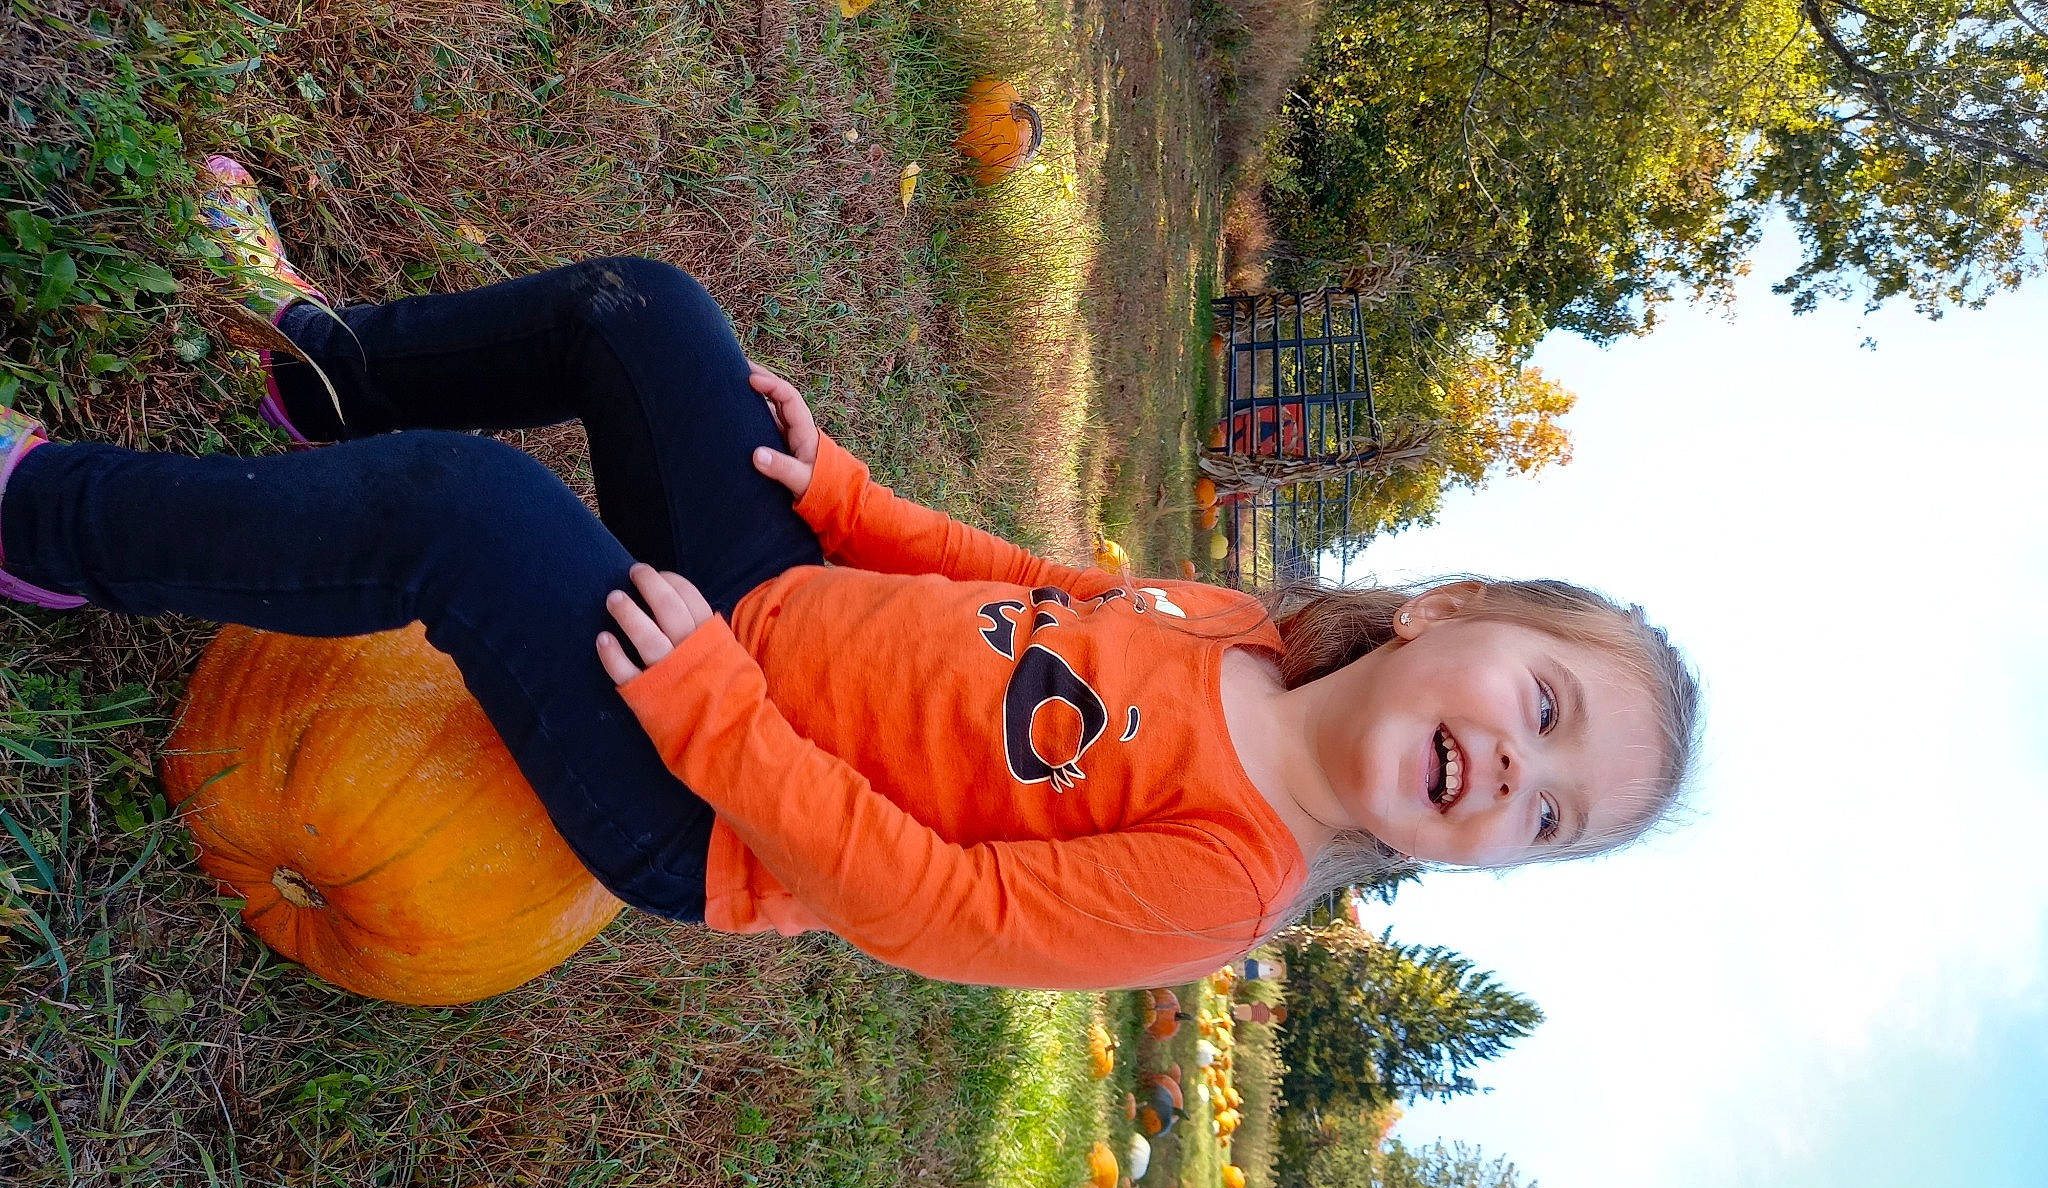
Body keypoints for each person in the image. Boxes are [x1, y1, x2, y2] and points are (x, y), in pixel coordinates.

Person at [0, 159, 1699, 991]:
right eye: (1544, 713)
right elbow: (1032, 584)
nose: (1514, 777)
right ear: (1448, 611)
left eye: (1547, 817)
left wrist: (718, 723)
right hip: (764, 605)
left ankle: (50, 525)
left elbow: (934, 909)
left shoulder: (1219, 885)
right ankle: (336, 373)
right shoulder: (1243, 631)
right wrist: (850, 496)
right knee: (653, 318)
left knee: (472, 518)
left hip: (710, 799)